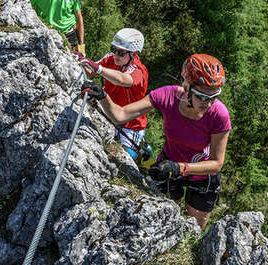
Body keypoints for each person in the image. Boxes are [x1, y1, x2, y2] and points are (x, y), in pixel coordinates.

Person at [81, 53, 231, 229]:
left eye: (213, 97)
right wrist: (103, 96)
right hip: (168, 168)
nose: (208, 103)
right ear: (187, 85)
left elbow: (217, 163)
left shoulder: (219, 114)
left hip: (201, 174)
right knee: (164, 224)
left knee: (193, 230)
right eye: (202, 96)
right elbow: (120, 115)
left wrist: (179, 168)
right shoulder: (167, 96)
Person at [78, 28, 149, 160]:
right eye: (114, 49)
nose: (116, 55)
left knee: (121, 161)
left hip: (131, 126)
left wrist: (99, 69)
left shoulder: (139, 71)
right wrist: (80, 60)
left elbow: (123, 79)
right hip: (109, 115)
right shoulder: (110, 58)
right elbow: (91, 72)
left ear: (133, 54)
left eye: (121, 52)